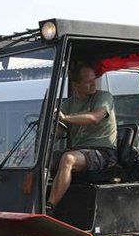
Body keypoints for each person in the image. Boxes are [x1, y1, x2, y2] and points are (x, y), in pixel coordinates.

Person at [48, 62, 118, 210]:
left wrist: (65, 118)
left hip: (103, 153)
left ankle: (49, 207)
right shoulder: (67, 104)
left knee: (68, 159)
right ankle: (29, 204)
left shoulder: (104, 97)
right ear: (75, 85)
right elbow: (59, 133)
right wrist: (50, 126)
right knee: (40, 160)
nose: (93, 84)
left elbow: (94, 118)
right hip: (79, 150)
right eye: (88, 81)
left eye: (94, 79)